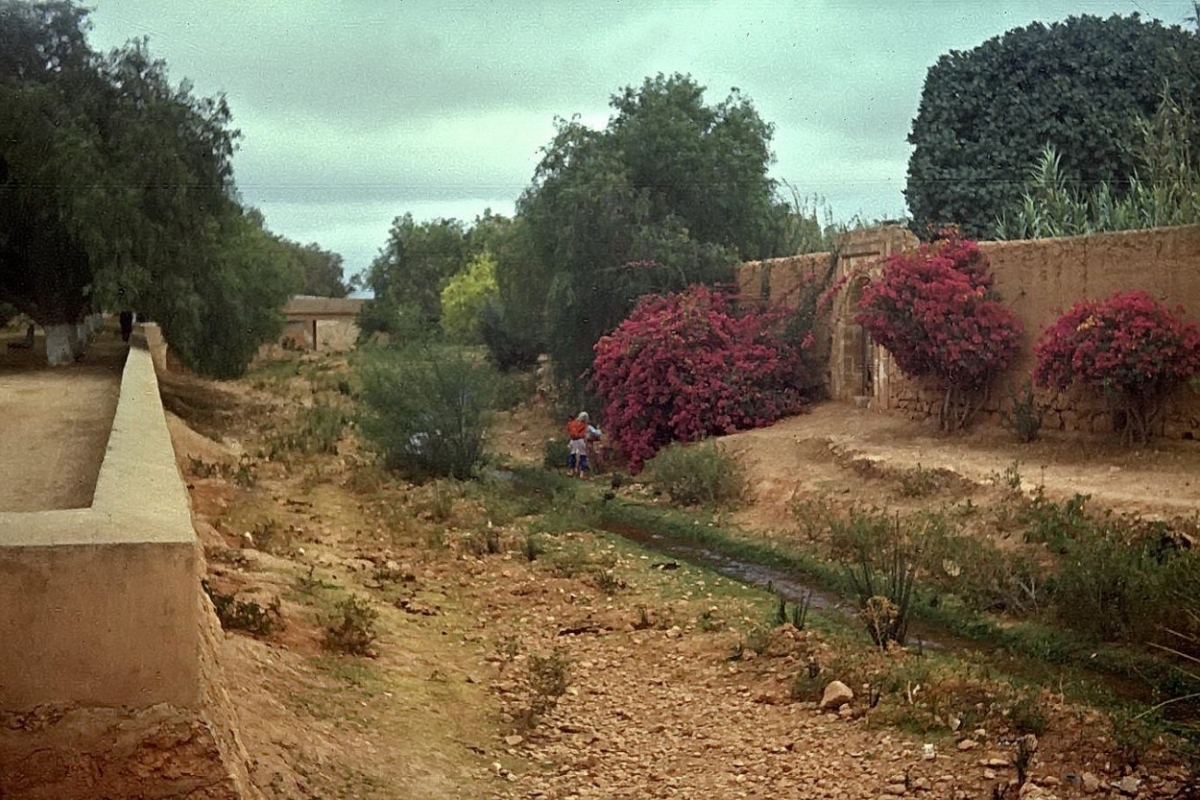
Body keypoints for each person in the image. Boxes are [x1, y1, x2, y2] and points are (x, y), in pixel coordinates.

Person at [566, 411, 599, 478]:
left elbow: (569, 430)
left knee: (572, 456)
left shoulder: (572, 423)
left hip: (573, 441)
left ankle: (571, 472)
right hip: (581, 441)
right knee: (583, 457)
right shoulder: (586, 425)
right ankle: (582, 474)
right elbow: (596, 433)